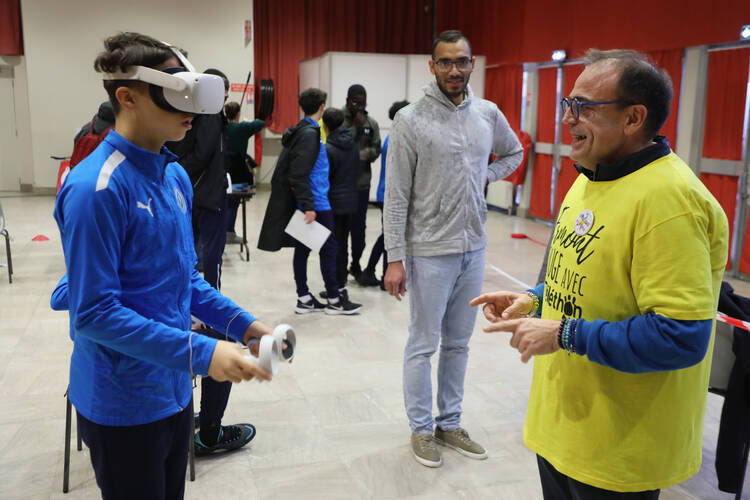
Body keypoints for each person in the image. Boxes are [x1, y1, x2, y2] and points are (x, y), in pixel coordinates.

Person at [470, 49, 729, 499]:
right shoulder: (590, 176)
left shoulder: (671, 201)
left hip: (619, 450)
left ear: (633, 118)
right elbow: (589, 277)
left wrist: (564, 334)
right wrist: (536, 298)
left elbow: (681, 337)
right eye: (568, 104)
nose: (568, 118)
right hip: (562, 430)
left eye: (584, 106)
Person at [53, 32, 273, 500]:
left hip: (173, 388)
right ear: (128, 97)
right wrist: (204, 353)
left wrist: (243, 325)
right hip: (123, 402)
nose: (189, 109)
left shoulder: (174, 175)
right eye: (173, 93)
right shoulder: (97, 189)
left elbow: (185, 278)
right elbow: (93, 314)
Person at [384, 30, 523, 468]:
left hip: (473, 248)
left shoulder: (487, 113)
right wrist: (394, 257)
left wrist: (484, 177)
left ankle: (450, 423)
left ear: (472, 64)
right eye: (445, 62)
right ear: (432, 66)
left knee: (459, 344)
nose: (454, 70)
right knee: (423, 344)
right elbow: (396, 195)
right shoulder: (410, 119)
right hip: (428, 250)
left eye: (462, 61)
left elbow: (514, 153)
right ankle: (422, 429)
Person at [258, 88, 360, 315]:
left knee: (303, 249)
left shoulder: (305, 130)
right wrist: (309, 206)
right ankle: (334, 300)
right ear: (322, 107)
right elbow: (299, 173)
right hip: (316, 203)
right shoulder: (309, 134)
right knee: (330, 248)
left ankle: (304, 298)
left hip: (312, 201)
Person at [168, 67, 229, 286]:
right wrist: (179, 174)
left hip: (189, 191)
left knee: (188, 249)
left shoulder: (191, 111)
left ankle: (191, 296)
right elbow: (202, 154)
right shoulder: (210, 115)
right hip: (207, 193)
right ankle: (210, 300)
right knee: (212, 251)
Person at [358, 100, 410, 289]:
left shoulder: (394, 136)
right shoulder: (397, 139)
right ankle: (381, 276)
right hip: (389, 194)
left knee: (387, 236)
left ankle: (370, 271)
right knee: (390, 237)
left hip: (385, 193)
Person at [321, 107, 363, 309]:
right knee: (343, 244)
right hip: (351, 201)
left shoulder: (329, 149)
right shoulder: (352, 144)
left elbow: (326, 177)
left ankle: (335, 287)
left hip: (334, 203)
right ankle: (340, 284)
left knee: (332, 247)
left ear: (325, 126)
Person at [342, 84, 381, 280]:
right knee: (340, 230)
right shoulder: (338, 119)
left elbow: (376, 148)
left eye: (363, 103)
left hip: (361, 184)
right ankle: (339, 270)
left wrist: (368, 154)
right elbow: (336, 143)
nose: (359, 107)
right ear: (347, 101)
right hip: (340, 185)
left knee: (359, 230)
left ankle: (355, 263)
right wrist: (355, 128)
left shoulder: (371, 123)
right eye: (355, 103)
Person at [224, 100, 264, 244]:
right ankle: (229, 232)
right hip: (239, 172)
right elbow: (260, 123)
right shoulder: (243, 127)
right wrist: (247, 122)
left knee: (225, 202)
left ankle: (224, 231)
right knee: (234, 202)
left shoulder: (222, 127)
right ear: (238, 114)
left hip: (223, 170)